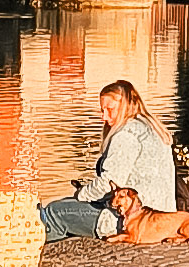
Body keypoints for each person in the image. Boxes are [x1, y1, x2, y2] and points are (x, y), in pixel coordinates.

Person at [41, 77, 180, 243]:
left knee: (55, 211)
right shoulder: (151, 126)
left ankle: (20, 244)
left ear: (123, 106)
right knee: (67, 205)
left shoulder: (126, 135)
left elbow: (109, 182)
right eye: (102, 110)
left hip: (133, 220)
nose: (103, 117)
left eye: (109, 109)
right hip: (164, 213)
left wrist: (81, 193)